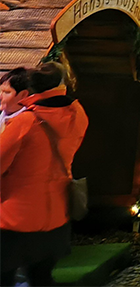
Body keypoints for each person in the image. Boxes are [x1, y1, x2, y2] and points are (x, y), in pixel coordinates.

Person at [0, 63, 88, 287]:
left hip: (15, 218)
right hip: (57, 214)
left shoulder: (25, 122)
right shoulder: (78, 114)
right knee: (41, 278)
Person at [0, 69, 29, 135]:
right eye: (0, 91)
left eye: (6, 92)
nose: (0, 96)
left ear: (23, 95)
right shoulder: (3, 113)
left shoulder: (26, 123)